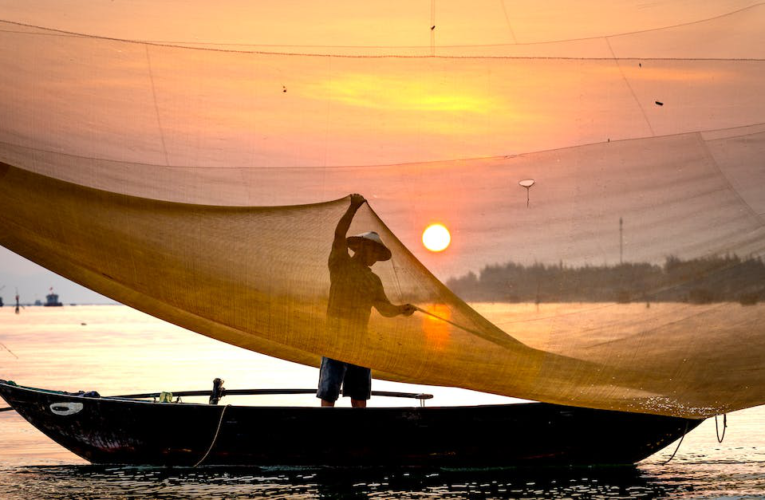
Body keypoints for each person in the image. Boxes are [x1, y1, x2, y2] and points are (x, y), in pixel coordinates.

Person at [317, 193, 416, 408]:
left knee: (359, 396)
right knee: (329, 393)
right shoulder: (340, 264)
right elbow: (338, 234)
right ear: (360, 248)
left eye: (377, 253)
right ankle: (324, 433)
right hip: (334, 339)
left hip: (360, 342)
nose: (374, 256)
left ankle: (361, 437)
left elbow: (384, 309)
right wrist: (352, 208)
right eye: (372, 250)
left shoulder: (373, 280)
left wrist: (401, 309)